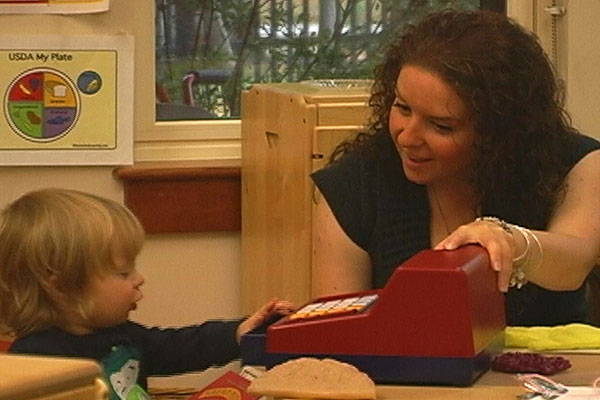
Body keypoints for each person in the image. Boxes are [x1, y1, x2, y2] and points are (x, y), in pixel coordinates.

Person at [311, 10, 600, 327]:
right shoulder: (354, 187)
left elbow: (575, 261)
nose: (407, 138)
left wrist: (510, 242)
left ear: (497, 131)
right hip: (402, 377)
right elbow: (338, 335)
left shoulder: (575, 162)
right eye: (402, 108)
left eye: (441, 126)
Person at [0, 188, 293, 400]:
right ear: (62, 285)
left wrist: (238, 333)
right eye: (123, 273)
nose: (139, 280)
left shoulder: (122, 334)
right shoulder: (36, 361)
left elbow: (181, 346)